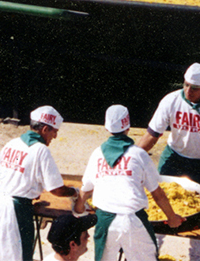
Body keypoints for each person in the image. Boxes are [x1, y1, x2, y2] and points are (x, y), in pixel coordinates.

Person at [138, 63, 200, 261]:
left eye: (194, 88)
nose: (188, 91)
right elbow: (152, 135)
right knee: (158, 207)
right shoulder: (171, 100)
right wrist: (131, 157)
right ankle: (151, 253)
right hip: (173, 156)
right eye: (186, 85)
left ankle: (197, 256)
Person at [76, 105, 183, 261]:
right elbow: (157, 193)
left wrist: (78, 209)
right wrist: (172, 218)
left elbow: (85, 190)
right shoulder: (138, 154)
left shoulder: (97, 154)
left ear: (107, 128)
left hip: (105, 222)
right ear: (128, 127)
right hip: (133, 221)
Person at [0, 105, 76, 261]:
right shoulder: (40, 149)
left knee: (3, 255)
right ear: (44, 130)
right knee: (21, 256)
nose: (55, 136)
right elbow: (56, 189)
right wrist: (74, 192)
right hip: (14, 209)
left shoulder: (11, 143)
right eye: (54, 131)